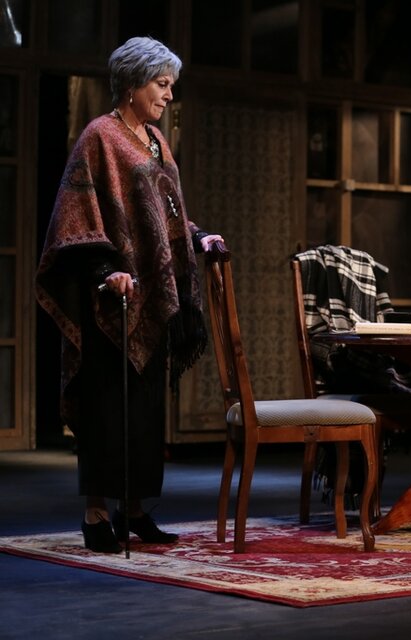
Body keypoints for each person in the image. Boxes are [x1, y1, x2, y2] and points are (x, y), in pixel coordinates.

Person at [36, 37, 224, 553]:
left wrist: (197, 236)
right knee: (107, 408)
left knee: (144, 412)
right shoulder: (100, 135)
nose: (168, 95)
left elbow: (166, 212)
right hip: (110, 296)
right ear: (133, 84)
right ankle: (96, 513)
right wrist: (106, 269)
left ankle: (134, 510)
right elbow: (76, 215)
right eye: (161, 85)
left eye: (170, 86)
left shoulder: (157, 140)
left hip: (151, 292)